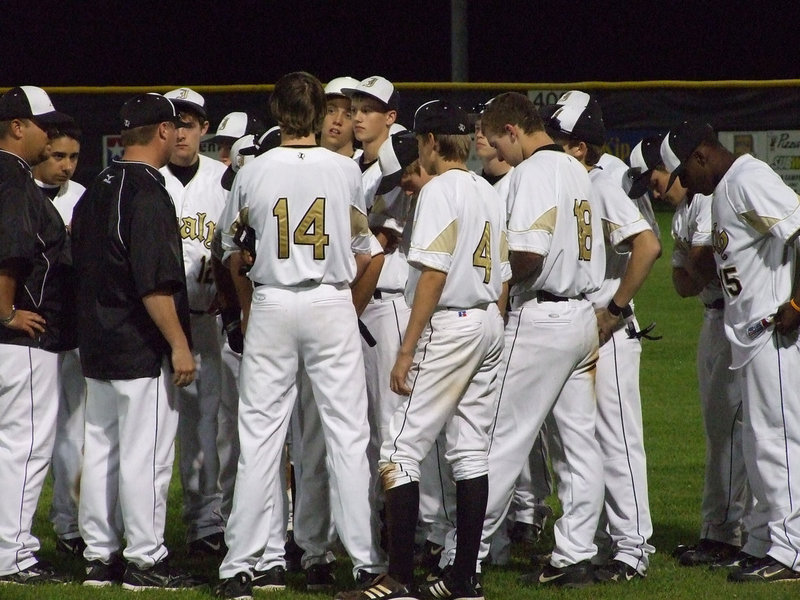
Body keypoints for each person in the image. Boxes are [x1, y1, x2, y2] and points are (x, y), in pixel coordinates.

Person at [214, 71, 384, 600]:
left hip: (270, 301)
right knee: (348, 437)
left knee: (261, 439)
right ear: (318, 114)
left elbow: (231, 252)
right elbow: (363, 249)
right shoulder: (343, 170)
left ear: (276, 111)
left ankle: (239, 565)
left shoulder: (252, 169)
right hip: (329, 299)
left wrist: (246, 309)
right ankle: (363, 562)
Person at [340, 99, 508, 600]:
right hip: (486, 320)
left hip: (451, 323)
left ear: (432, 143)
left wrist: (407, 348)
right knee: (470, 451)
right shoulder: (486, 188)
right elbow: (500, 276)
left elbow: (433, 273)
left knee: (397, 451)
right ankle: (463, 581)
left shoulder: (439, 190)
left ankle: (399, 581)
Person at [462, 92, 607, 588]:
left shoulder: (536, 171)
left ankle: (466, 557)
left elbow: (526, 253)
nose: (499, 151)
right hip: (582, 316)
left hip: (541, 317)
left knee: (498, 437)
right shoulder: (574, 168)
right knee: (578, 444)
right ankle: (575, 555)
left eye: (498, 138)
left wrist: (495, 286)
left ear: (512, 131)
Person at [72, 92, 203, 590]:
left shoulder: (95, 189)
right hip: (139, 346)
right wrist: (179, 344)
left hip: (98, 343)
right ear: (164, 132)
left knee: (102, 449)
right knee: (144, 456)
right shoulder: (149, 191)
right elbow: (153, 282)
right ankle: (145, 559)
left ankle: (99, 558)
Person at [661, 120, 800, 583]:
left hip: (774, 333)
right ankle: (764, 542)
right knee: (758, 444)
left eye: (685, 171)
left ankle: (791, 550)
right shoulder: (724, 188)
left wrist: (797, 301)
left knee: (779, 442)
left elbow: (799, 229)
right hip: (748, 335)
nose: (683, 183)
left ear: (702, 156)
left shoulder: (748, 177)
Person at [546, 102, 660, 581]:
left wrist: (614, 310)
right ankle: (596, 542)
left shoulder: (598, 184)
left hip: (608, 328)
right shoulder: (571, 185)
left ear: (578, 147)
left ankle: (633, 548)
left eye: (556, 140)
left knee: (616, 439)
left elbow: (648, 245)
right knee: (580, 443)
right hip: (581, 325)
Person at [631, 135, 751, 568]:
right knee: (721, 434)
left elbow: (692, 276)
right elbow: (685, 284)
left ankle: (729, 536)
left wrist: (687, 261)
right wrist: (687, 263)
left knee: (734, 435)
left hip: (734, 320)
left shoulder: (706, 204)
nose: (656, 187)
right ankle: (718, 532)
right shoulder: (685, 211)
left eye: (658, 176)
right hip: (712, 321)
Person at [0, 85, 76, 585]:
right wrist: (5, 312)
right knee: (24, 447)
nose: (49, 133)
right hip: (21, 340)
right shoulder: (12, 178)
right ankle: (13, 556)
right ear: (16, 126)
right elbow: (10, 249)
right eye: (42, 124)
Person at [161, 87, 229, 557]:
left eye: (190, 122)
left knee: (218, 425)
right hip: (159, 324)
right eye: (175, 122)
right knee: (171, 428)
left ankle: (212, 521)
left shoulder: (225, 179)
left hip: (214, 321)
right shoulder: (149, 178)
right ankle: (185, 522)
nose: (182, 131)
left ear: (204, 128)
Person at [31, 124, 88, 557]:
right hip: (29, 334)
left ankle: (69, 526)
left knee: (74, 430)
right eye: (57, 156)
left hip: (73, 330)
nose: (66, 166)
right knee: (30, 435)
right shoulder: (17, 193)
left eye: (72, 157)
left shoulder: (83, 197)